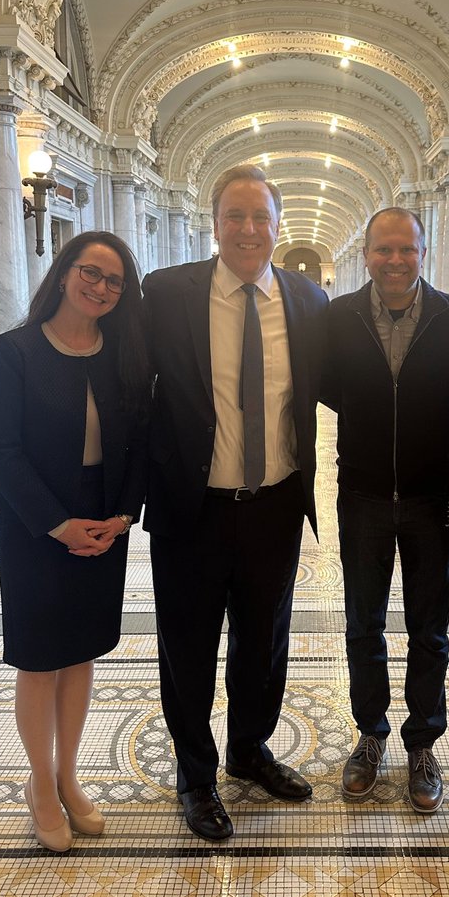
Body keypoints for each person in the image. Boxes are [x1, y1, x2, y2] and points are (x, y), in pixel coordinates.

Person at [141, 164, 328, 842]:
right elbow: (134, 389)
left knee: (263, 642)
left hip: (273, 504)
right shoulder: (166, 294)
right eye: (234, 216)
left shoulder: (308, 301)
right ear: (213, 223)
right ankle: (196, 776)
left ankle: (250, 750)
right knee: (186, 648)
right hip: (191, 507)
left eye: (259, 218)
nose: (247, 230)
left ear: (278, 227)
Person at [0, 231, 149, 852]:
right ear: (63, 273)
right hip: (34, 524)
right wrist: (57, 524)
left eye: (114, 281)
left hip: (103, 518)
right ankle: (40, 784)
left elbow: (138, 443)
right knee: (40, 656)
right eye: (91, 272)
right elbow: (1, 449)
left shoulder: (122, 353)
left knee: (80, 652)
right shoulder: (15, 350)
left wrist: (122, 515)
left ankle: (68, 777)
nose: (101, 287)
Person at [324, 208, 449, 812]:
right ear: (365, 254)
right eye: (383, 250)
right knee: (364, 624)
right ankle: (370, 735)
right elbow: (326, 385)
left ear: (423, 251)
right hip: (361, 495)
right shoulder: (340, 317)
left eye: (406, 250)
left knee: (428, 628)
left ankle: (422, 743)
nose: (394, 261)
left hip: (427, 497)